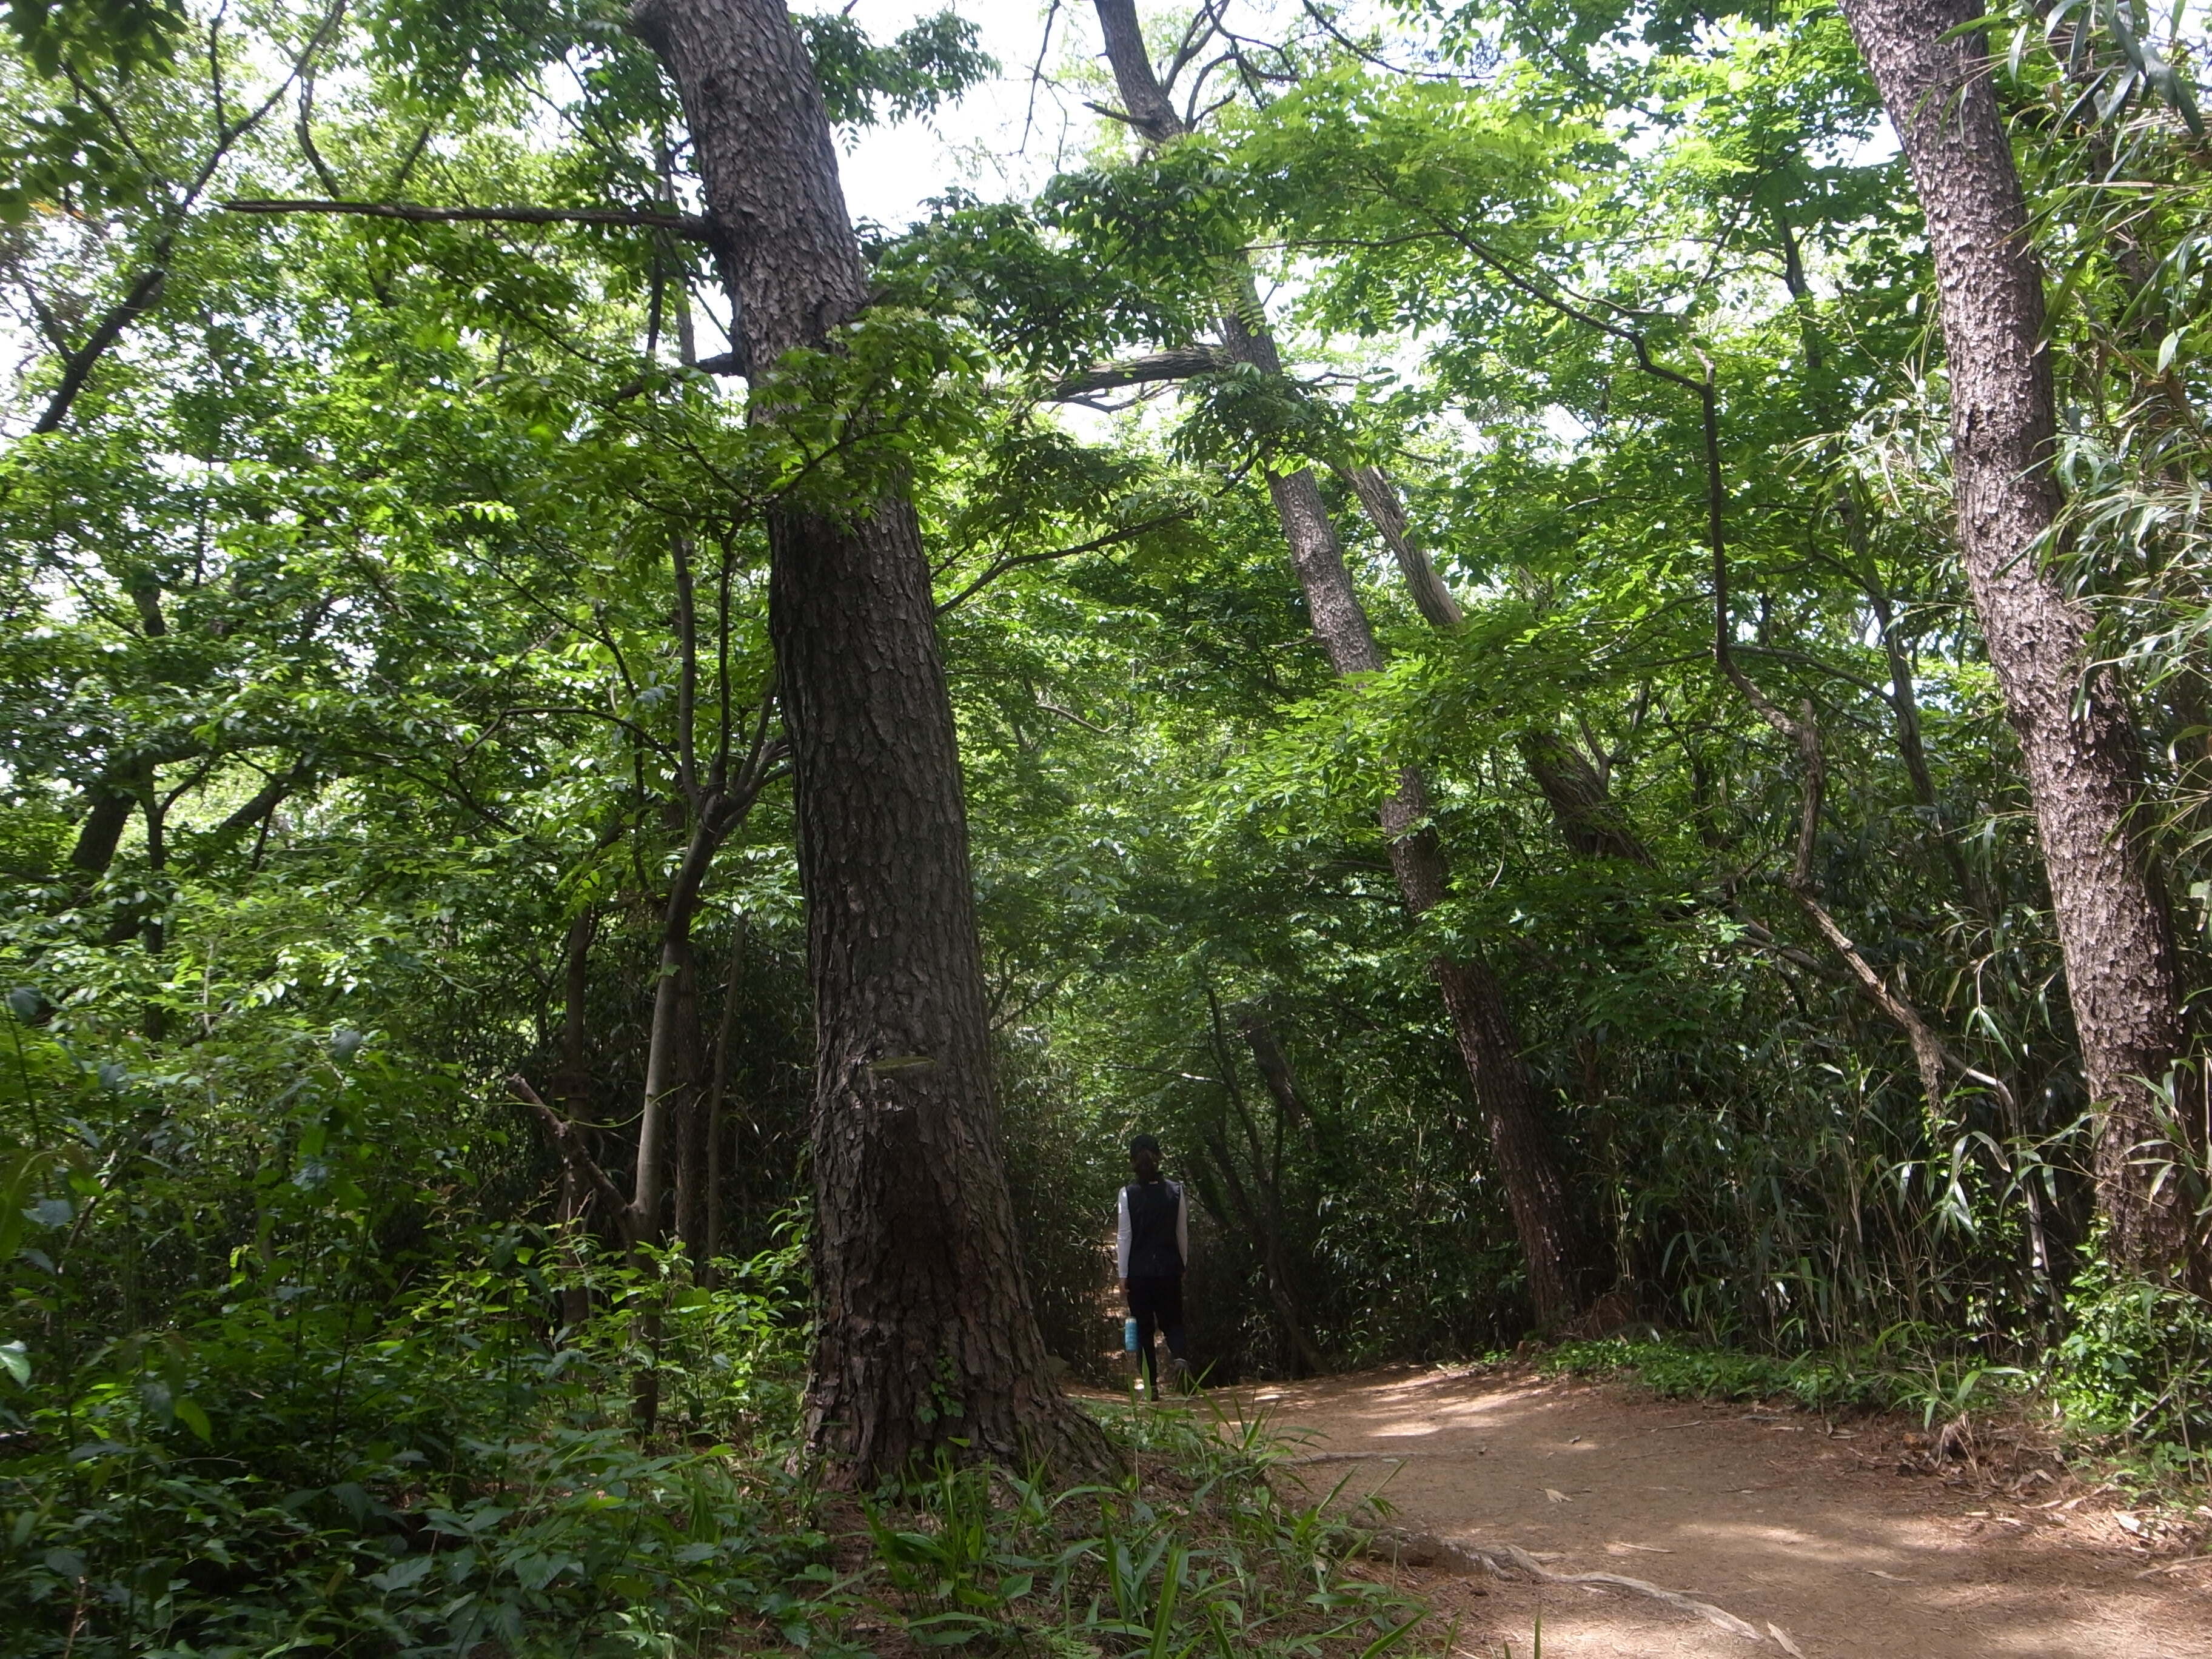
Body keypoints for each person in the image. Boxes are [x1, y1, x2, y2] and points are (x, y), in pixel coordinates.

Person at [1116, 1133, 1190, 1397]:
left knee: (1144, 1329)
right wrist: (1182, 1264)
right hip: (1169, 1268)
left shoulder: (1127, 1194)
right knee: (1174, 1322)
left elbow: (1124, 1236)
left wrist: (1122, 1274)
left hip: (1138, 1273)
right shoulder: (1176, 1191)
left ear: (1132, 1161)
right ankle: (1180, 1359)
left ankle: (1152, 1386)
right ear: (1159, 1157)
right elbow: (1182, 1233)